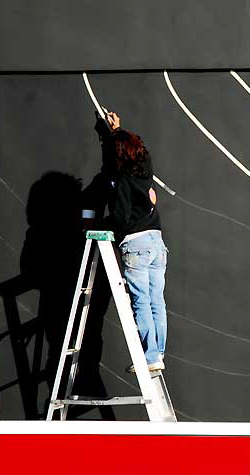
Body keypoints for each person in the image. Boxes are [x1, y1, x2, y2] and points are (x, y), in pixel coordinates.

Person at [94, 111, 169, 372]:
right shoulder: (145, 170)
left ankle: (149, 357)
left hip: (136, 244)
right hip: (157, 242)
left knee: (140, 301)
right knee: (156, 299)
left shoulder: (123, 181)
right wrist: (115, 132)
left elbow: (121, 218)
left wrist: (103, 225)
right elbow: (139, 150)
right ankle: (157, 354)